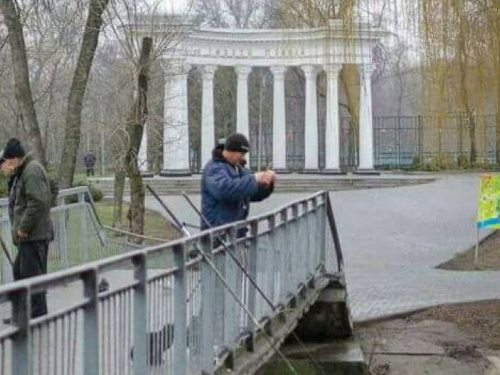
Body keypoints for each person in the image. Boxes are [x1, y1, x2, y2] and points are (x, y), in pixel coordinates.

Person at [2, 138, 55, 318]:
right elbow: (50, 189)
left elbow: (38, 201)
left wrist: (23, 228)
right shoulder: (25, 171)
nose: (5, 167)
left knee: (33, 278)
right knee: (20, 273)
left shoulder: (31, 170)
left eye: (6, 162)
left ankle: (37, 315)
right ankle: (22, 314)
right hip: (31, 235)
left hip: (33, 235)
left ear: (14, 159)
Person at [201, 133, 276, 235]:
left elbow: (250, 194)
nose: (243, 158)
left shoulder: (239, 168)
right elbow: (224, 190)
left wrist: (266, 184)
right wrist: (254, 179)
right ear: (232, 152)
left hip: (236, 231)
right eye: (242, 154)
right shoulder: (214, 168)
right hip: (218, 233)